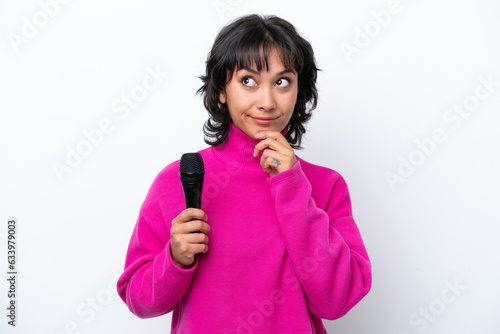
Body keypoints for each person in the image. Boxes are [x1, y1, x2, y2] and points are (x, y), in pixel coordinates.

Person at [117, 14, 371, 333]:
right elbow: (138, 299)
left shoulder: (325, 186)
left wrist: (291, 187)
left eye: (282, 82)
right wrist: (175, 259)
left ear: (298, 91)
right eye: (248, 81)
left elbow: (338, 300)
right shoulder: (178, 180)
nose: (266, 102)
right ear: (222, 89)